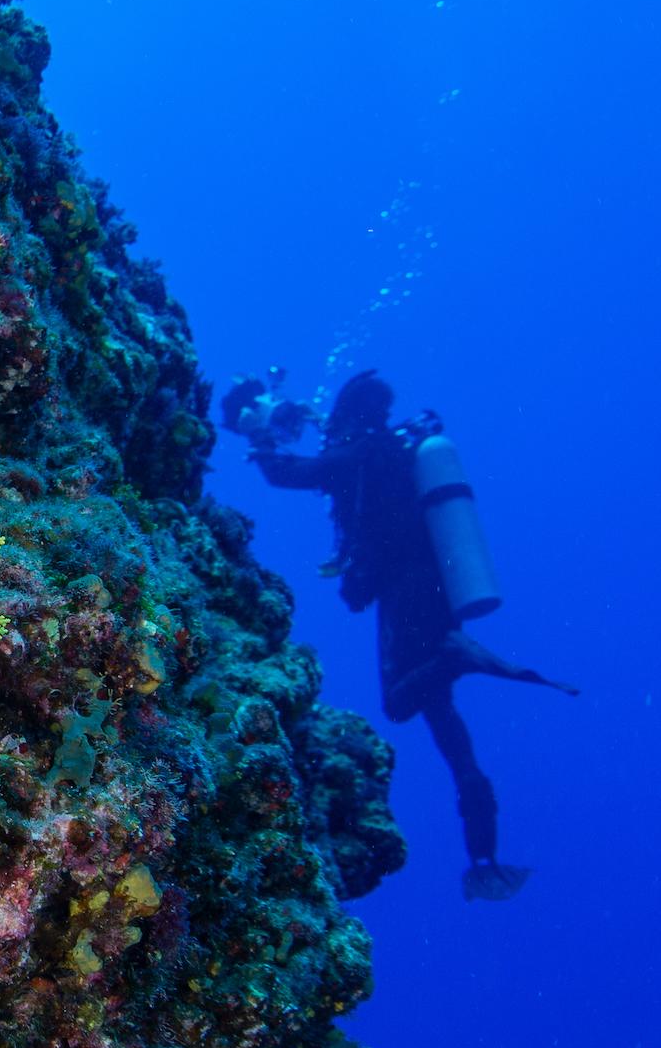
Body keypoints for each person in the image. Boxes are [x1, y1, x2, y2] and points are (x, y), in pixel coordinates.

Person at [232, 369, 577, 901]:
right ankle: (482, 854)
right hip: (437, 589)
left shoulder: (360, 453)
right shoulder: (391, 451)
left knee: (400, 703)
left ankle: (458, 659)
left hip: (407, 592)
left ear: (349, 415)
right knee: (446, 725)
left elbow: (285, 474)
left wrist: (259, 436)